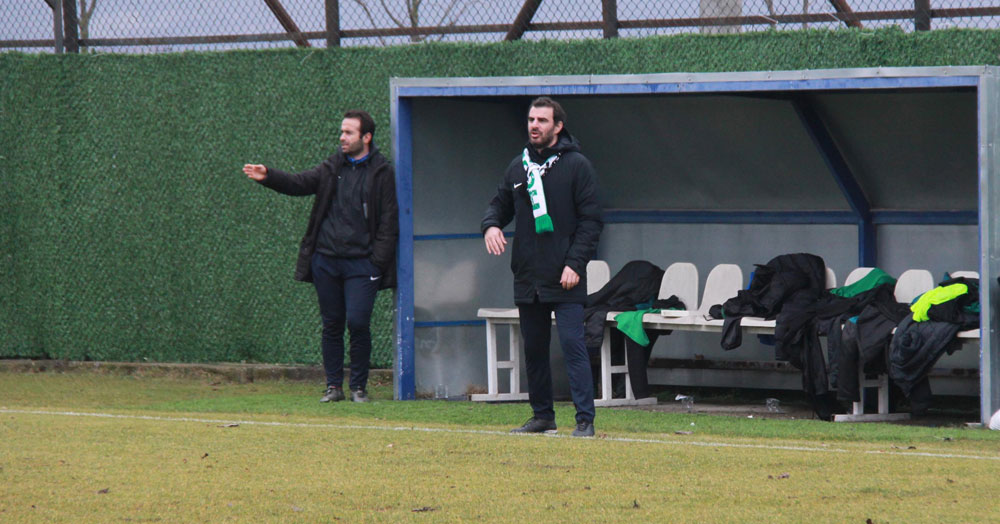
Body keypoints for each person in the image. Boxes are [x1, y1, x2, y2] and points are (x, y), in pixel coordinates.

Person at [242, 110, 398, 403]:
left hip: (362, 264)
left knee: (358, 322)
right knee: (332, 323)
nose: (342, 137)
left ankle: (359, 388)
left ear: (366, 137)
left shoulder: (382, 172)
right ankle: (334, 387)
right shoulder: (332, 166)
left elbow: (389, 221)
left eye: (349, 132)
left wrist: (377, 261)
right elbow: (299, 183)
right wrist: (269, 176)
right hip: (326, 261)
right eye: (342, 131)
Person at [481, 97, 603, 437]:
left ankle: (584, 420)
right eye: (531, 119)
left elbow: (592, 221)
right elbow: (498, 205)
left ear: (558, 126)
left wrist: (575, 263)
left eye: (542, 120)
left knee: (573, 346)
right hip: (528, 277)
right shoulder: (518, 166)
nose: (534, 125)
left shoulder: (577, 165)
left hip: (565, 277)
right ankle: (542, 416)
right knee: (534, 350)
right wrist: (491, 226)